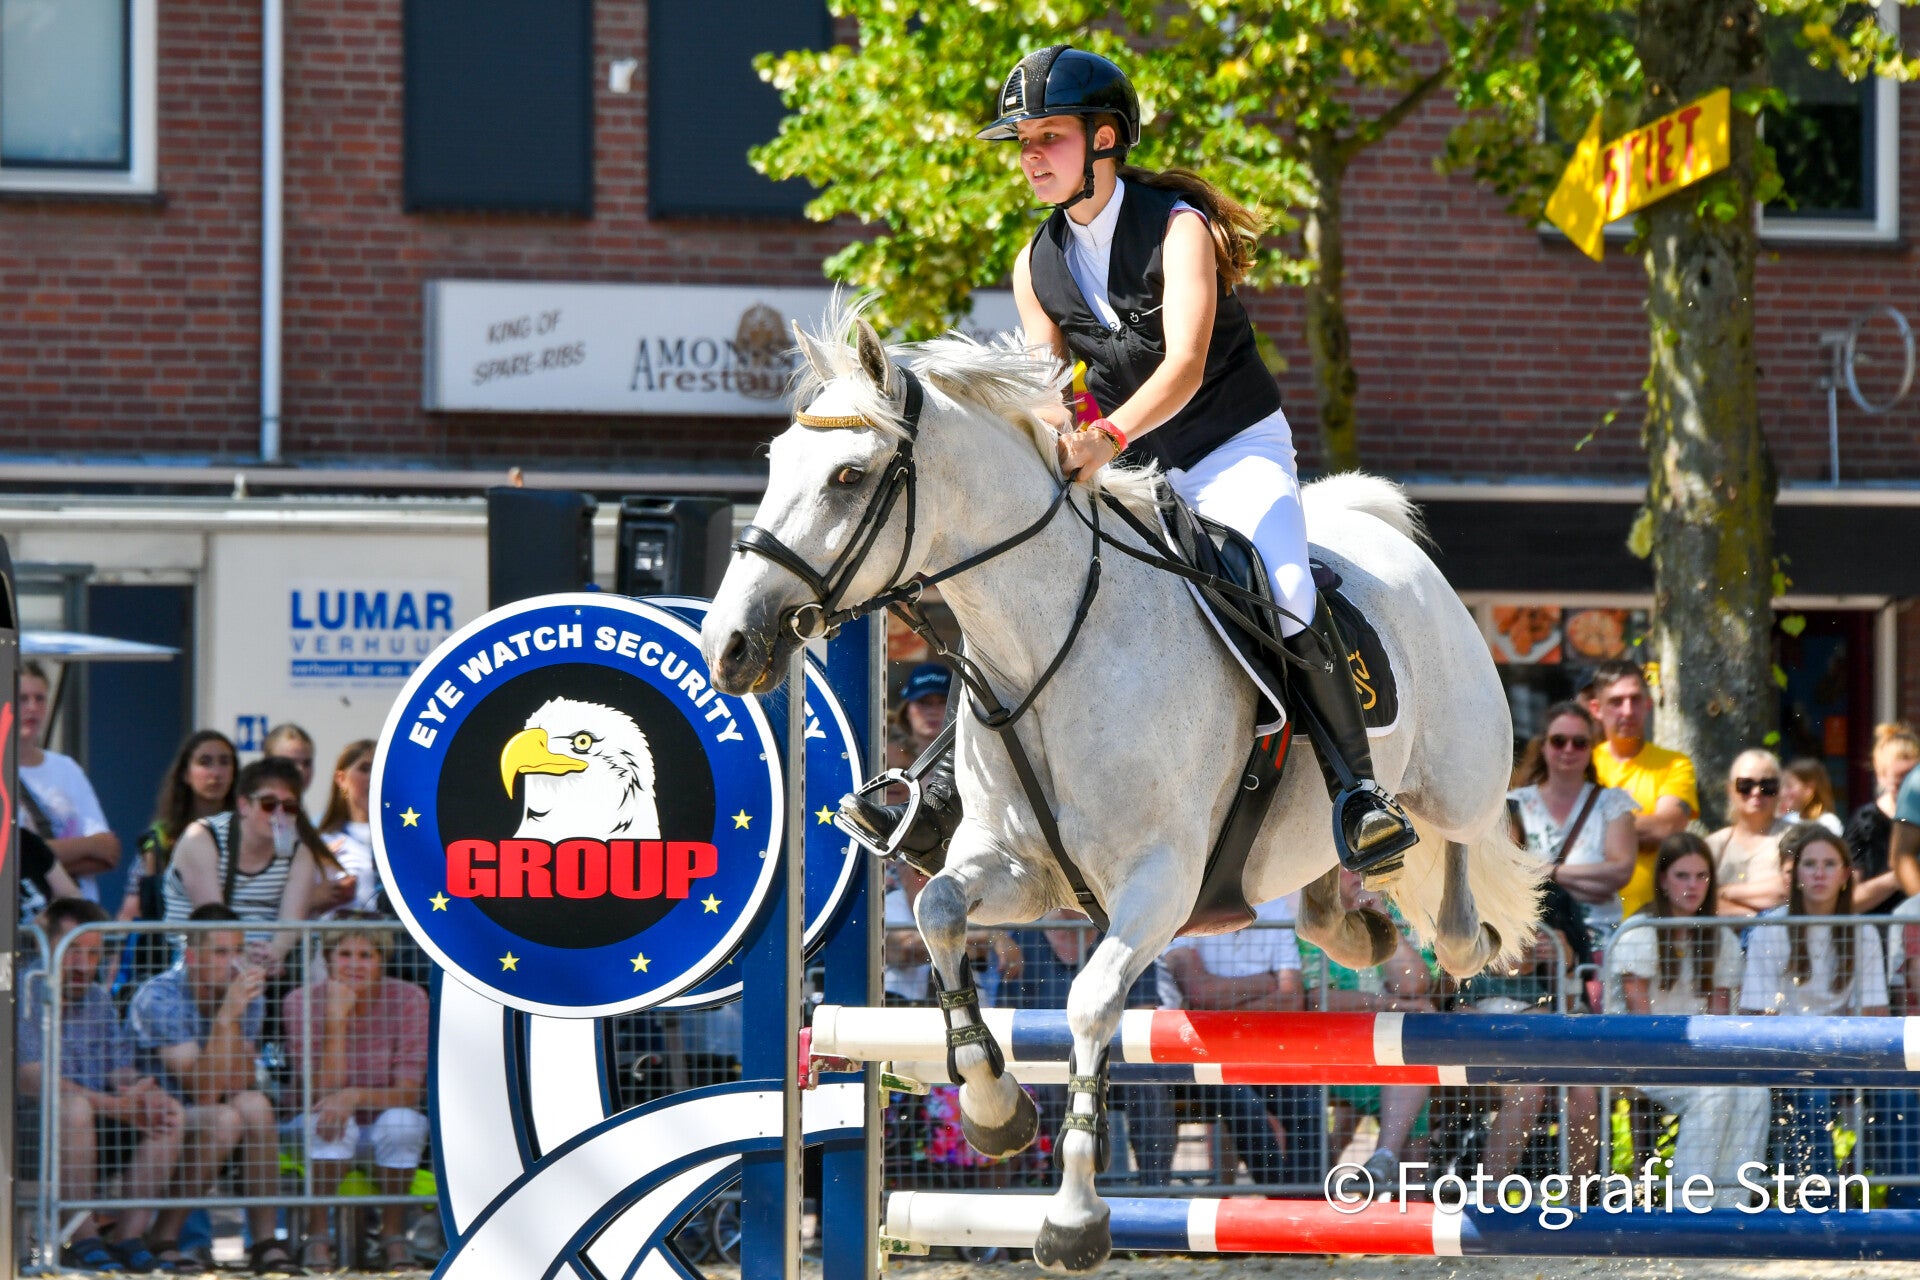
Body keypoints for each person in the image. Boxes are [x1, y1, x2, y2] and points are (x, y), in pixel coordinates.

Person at [841, 45, 1418, 879]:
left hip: (1231, 450)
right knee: (1026, 588)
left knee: (1287, 585)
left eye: (1049, 137)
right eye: (1023, 142)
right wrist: (1062, 435)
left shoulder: (1179, 230)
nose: (1031, 156)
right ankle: (939, 789)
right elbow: (1050, 385)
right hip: (1135, 469)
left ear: (1105, 139)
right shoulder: (1036, 264)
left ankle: (1358, 793)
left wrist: (1103, 436)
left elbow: (1184, 363)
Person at [128, 904, 303, 1274]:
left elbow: (240, 1080)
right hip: (148, 1115)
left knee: (255, 1105)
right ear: (192, 956)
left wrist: (233, 1013)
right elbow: (203, 1091)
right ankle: (164, 1237)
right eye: (221, 952)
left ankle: (265, 1242)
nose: (234, 962)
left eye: (238, 950)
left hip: (202, 1110)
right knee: (224, 1118)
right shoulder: (160, 997)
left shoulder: (245, 995)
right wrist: (227, 1016)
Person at [18, 899, 186, 1272]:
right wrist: (115, 1107)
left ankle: (128, 1239)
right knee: (75, 1110)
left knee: (168, 1112)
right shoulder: (23, 990)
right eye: (72, 950)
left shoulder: (96, 997)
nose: (83, 964)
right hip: (24, 1133)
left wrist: (143, 1090)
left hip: (92, 1122)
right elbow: (31, 1079)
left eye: (93, 953)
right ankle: (83, 1240)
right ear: (47, 946)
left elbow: (117, 1068)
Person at [1607, 835, 1767, 1208]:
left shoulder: (1721, 938)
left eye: (1701, 876)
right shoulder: (1638, 932)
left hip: (1699, 1056)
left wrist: (1704, 1062)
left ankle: (1731, 1209)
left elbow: (1719, 1018)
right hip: (1639, 1054)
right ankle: (1687, 1210)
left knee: (1753, 1094)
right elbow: (1640, 1022)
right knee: (1713, 1094)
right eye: (1682, 875)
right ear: (1663, 880)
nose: (1693, 885)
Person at [1739, 824, 1890, 1182]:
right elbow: (1758, 1015)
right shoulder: (1770, 929)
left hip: (1849, 1053)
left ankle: (1906, 1204)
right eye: (1809, 864)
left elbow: (1874, 1014)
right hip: (1786, 1055)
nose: (1819, 873)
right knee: (1812, 1093)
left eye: (1829, 864)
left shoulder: (1865, 932)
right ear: (1796, 875)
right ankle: (1819, 1202)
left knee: (1899, 1096)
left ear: (1845, 875)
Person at [282, 925, 429, 1270]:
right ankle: (318, 1236)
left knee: (405, 1123)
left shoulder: (409, 999)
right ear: (328, 959)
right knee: (331, 1122)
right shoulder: (300, 1001)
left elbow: (409, 1090)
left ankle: (393, 1235)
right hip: (310, 1124)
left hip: (380, 1126)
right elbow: (320, 1094)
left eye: (366, 956)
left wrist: (354, 1096)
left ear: (381, 961)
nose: (354, 965)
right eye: (344, 954)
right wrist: (336, 1019)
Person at [1163, 895, 1322, 1185]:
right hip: (1206, 1053)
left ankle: (1305, 1199)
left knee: (1307, 1102)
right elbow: (1199, 992)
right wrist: (1267, 982)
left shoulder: (1274, 905)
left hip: (1259, 1050)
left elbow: (1292, 998)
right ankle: (1285, 1198)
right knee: (1246, 1108)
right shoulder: (1189, 902)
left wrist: (1221, 1007)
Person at [1302, 872, 1434, 1189]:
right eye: (1349, 865)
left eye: (1368, 862)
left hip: (1388, 1050)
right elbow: (1317, 999)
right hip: (1337, 1049)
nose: (1361, 873)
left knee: (1411, 1072)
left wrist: (1382, 919)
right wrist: (1387, 1004)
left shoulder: (1404, 915)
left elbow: (1414, 984)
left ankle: (1381, 1174)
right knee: (1410, 1085)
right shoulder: (1317, 922)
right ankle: (1385, 1166)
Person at [160, 756, 323, 966]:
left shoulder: (299, 853)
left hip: (265, 964)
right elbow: (214, 920)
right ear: (244, 804)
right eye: (269, 804)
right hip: (195, 962)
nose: (279, 814)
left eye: (289, 806)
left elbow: (290, 925)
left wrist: (276, 952)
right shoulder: (202, 838)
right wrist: (243, 959)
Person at [1505, 701, 1638, 937]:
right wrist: (1591, 880)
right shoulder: (1514, 804)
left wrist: (1548, 872)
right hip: (1539, 939)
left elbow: (1620, 872)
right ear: (1543, 745)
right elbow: (1508, 871)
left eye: (1579, 742)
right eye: (1559, 741)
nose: (1568, 749)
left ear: (1591, 749)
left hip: (1600, 937)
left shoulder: (1613, 803)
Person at [1583, 659, 1698, 919]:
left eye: (1635, 700)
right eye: (1616, 701)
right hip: (1588, 917)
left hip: (1654, 916)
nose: (1627, 711)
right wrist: (1632, 829)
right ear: (1596, 708)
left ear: (1648, 704)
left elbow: (1665, 828)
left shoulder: (1674, 763)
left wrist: (1590, 827)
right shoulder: (1582, 762)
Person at [125, 731, 239, 984]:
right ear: (186, 774)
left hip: (234, 955)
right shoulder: (160, 837)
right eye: (205, 762)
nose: (216, 772)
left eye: (224, 762)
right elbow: (135, 903)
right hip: (172, 956)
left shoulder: (249, 832)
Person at [16, 661, 121, 903]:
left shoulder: (67, 768)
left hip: (81, 912)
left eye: (40, 698)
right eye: (22, 699)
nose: (32, 707)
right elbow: (13, 859)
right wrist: (86, 847)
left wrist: (41, 862)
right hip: (32, 916)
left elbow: (108, 851)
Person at [1710, 749, 1791, 917]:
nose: (1756, 792)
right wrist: (1754, 919)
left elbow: (1787, 888)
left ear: (1779, 790)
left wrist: (1723, 891)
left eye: (1767, 785)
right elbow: (1702, 901)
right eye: (1745, 785)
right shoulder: (1714, 844)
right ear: (1730, 789)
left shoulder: (1797, 836)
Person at [1855, 723, 1920, 912]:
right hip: (1880, 922)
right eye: (1900, 780)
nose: (1907, 786)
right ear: (1881, 776)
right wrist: (1899, 876)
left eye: (1911, 775)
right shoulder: (1864, 821)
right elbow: (1849, 899)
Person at [315, 739, 381, 917]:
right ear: (341, 779)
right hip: (337, 932)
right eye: (364, 769)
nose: (373, 777)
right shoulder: (322, 841)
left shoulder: (404, 840)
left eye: (379, 769)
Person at [1780, 758, 1844, 837]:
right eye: (1783, 786)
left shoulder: (1827, 823)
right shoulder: (1788, 819)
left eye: (1789, 786)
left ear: (1809, 788)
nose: (1783, 793)